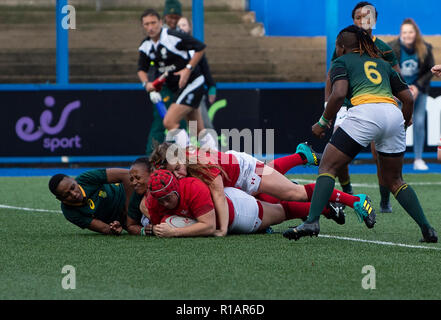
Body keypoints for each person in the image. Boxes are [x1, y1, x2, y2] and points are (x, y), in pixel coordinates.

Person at [284, 25, 438, 243]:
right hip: (392, 113)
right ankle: (427, 229)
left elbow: (338, 95)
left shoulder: (341, 62)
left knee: (327, 166)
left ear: (342, 47)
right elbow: (408, 99)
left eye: (336, 47)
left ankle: (312, 221)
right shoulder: (383, 64)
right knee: (395, 180)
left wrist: (323, 122)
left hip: (365, 113)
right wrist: (404, 121)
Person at [149, 142, 371, 235]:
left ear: (180, 157)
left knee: (295, 193)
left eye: (178, 168)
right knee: (273, 184)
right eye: (173, 171)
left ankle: (354, 199)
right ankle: (302, 155)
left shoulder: (198, 161)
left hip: (247, 172)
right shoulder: (184, 160)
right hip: (238, 173)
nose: (178, 174)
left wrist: (222, 229)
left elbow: (217, 193)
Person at [325, 2, 401, 213]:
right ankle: (347, 194)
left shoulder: (384, 49)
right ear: (353, 21)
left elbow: (397, 78)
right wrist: (328, 107)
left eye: (368, 17)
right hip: (348, 106)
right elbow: (331, 77)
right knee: (336, 156)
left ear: (375, 20)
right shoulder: (343, 45)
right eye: (358, 17)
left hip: (377, 106)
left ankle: (384, 200)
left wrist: (396, 101)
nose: (363, 21)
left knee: (380, 157)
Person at [144, 170, 344, 238]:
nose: (164, 203)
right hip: (228, 194)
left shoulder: (193, 187)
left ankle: (327, 206)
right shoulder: (154, 198)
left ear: (177, 188)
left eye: (168, 197)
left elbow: (209, 226)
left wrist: (175, 232)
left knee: (283, 210)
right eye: (159, 199)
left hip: (238, 211)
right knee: (276, 195)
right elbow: (156, 224)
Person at [137, 9, 217, 150]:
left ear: (161, 22)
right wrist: (146, 83)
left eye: (153, 23)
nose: (150, 27)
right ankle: (217, 159)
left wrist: (187, 69)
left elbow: (200, 48)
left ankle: (186, 158)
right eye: (146, 24)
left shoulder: (172, 36)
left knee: (169, 121)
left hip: (192, 83)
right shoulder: (146, 46)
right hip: (177, 89)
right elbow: (141, 69)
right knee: (197, 130)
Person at [388, 18, 435, 171]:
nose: (407, 35)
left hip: (418, 92)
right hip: (398, 92)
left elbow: (430, 71)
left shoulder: (425, 48)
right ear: (401, 34)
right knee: (396, 125)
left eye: (410, 32)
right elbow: (387, 70)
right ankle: (394, 159)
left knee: (419, 122)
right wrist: (400, 88)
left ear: (416, 33)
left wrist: (416, 87)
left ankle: (418, 159)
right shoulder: (392, 47)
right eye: (404, 32)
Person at [48, 168, 134, 235]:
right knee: (136, 230)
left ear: (74, 180)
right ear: (60, 199)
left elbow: (126, 175)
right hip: (124, 220)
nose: (74, 194)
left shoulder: (86, 178)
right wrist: (114, 229)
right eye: (67, 195)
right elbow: (104, 228)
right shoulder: (69, 212)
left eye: (73, 187)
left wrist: (129, 211)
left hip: (131, 198)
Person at [177, 16, 217, 131]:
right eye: (178, 26)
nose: (181, 28)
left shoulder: (196, 48)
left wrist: (211, 87)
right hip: (179, 93)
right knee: (179, 126)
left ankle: (213, 148)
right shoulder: (173, 48)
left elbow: (205, 70)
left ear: (189, 28)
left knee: (204, 125)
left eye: (184, 25)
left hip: (195, 91)